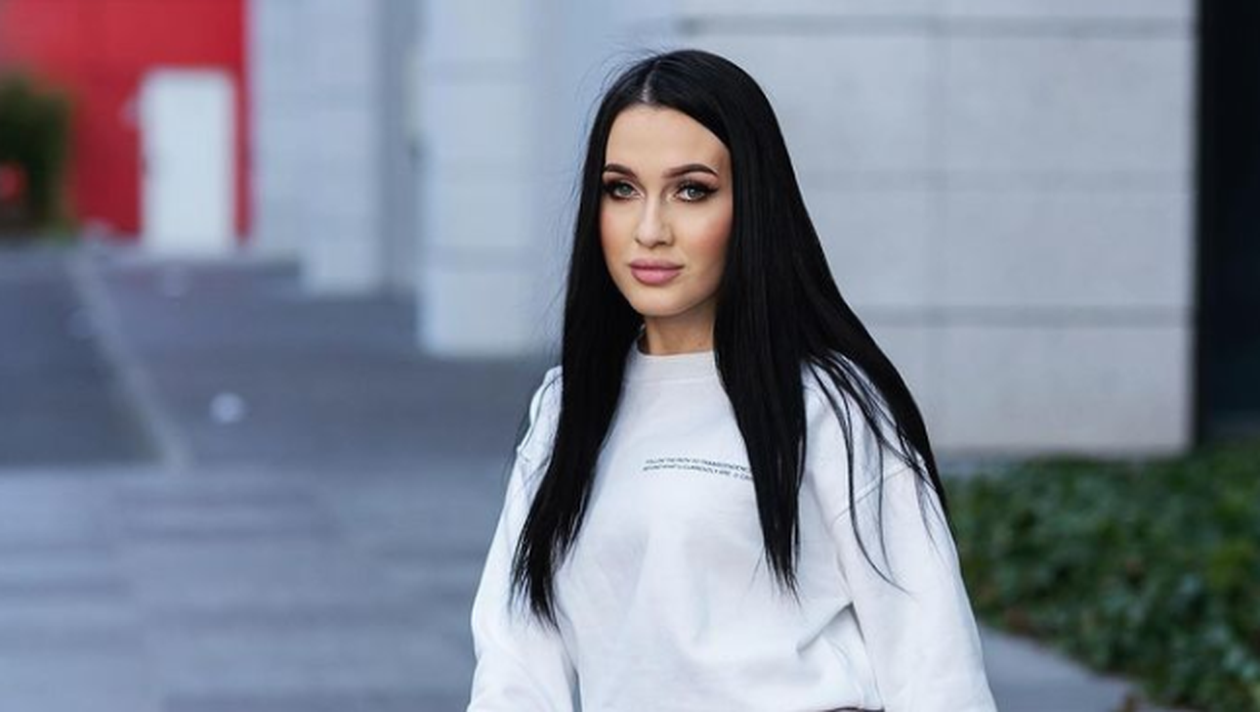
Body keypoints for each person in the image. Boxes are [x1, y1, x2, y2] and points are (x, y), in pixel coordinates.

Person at [467, 48, 998, 712]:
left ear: (751, 205)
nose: (650, 230)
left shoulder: (829, 406)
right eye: (621, 189)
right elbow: (516, 660)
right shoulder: (566, 408)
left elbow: (933, 663)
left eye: (692, 190)